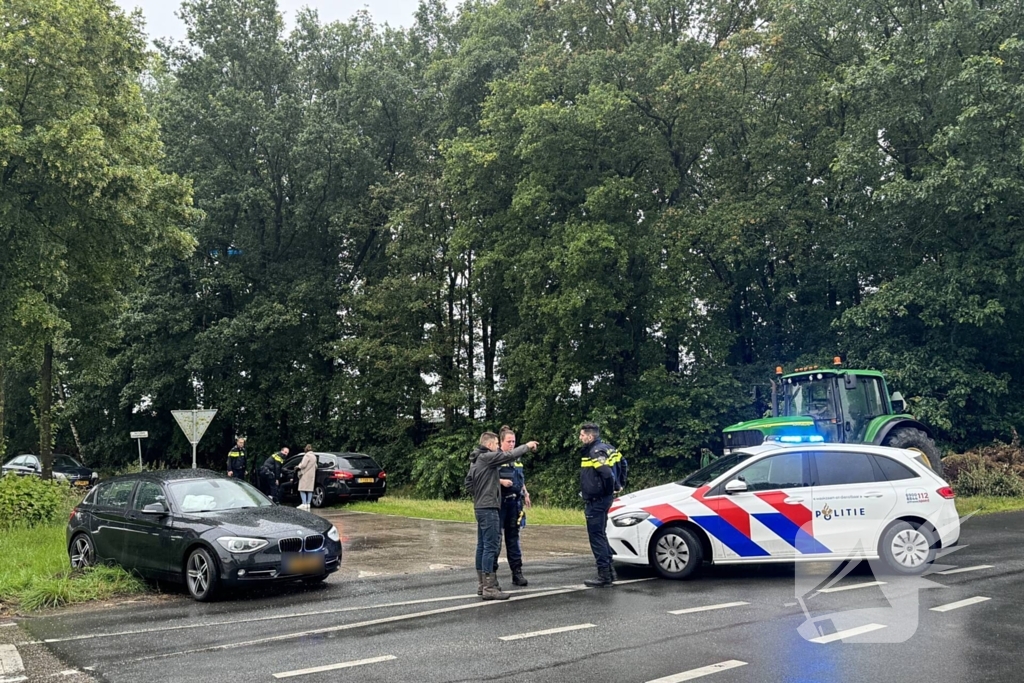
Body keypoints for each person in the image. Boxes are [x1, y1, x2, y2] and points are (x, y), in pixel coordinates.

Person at [466, 431, 538, 600]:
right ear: (490, 445)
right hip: (490, 507)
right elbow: (510, 455)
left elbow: (468, 483)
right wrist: (527, 446)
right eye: (497, 444)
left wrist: (480, 493)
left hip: (481, 506)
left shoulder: (476, 459)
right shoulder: (487, 457)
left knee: (482, 545)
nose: (498, 447)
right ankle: (489, 587)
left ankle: (482, 584)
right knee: (491, 546)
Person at [579, 422, 617, 587]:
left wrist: (609, 489)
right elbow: (623, 465)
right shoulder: (608, 447)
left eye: (582, 435)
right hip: (602, 499)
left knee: (596, 537)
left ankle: (604, 576)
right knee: (601, 534)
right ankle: (610, 571)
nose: (580, 438)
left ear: (590, 436)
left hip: (597, 501)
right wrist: (618, 485)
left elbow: (607, 474)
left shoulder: (595, 451)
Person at [497, 426, 531, 587]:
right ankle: (491, 576)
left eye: (514, 442)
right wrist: (501, 482)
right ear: (501, 442)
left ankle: (517, 573)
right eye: (509, 441)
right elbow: (483, 477)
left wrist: (525, 493)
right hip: (499, 504)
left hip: (514, 504)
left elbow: (520, 479)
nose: (512, 444)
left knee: (513, 540)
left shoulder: (516, 461)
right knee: (495, 541)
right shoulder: (495, 458)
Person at [296, 444, 318, 511]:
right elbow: (316, 466)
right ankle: (308, 504)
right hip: (312, 475)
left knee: (302, 489)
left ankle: (304, 503)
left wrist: (298, 466)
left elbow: (303, 465)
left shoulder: (307, 455)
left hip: (305, 474)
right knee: (309, 489)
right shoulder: (314, 456)